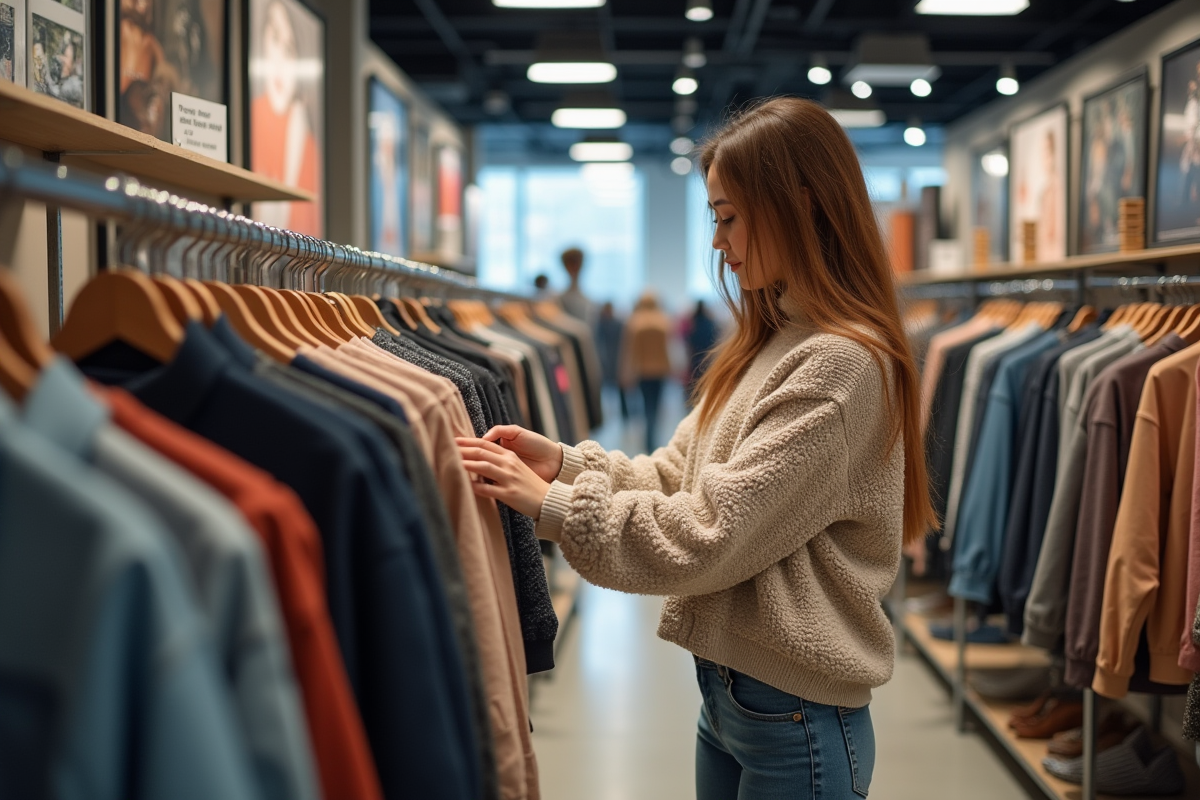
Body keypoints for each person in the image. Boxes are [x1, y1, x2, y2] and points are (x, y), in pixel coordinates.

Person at [455, 97, 934, 799]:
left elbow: (714, 531)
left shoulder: (841, 366)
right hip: (736, 701)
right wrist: (564, 462)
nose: (718, 241)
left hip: (796, 722)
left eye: (727, 216)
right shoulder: (770, 344)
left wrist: (557, 506)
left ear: (797, 206)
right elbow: (678, 474)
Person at [250, 0, 322, 236]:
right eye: (274, 39)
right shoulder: (251, 120)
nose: (279, 61)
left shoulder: (308, 148)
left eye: (289, 49)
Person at [620, 293, 672, 453]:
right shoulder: (663, 321)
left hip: (642, 371)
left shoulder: (635, 322)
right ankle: (652, 439)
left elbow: (630, 351)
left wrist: (626, 372)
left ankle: (648, 441)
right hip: (661, 371)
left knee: (646, 407)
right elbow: (669, 349)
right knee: (656, 407)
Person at [683, 299, 719, 405]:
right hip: (707, 357)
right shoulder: (710, 323)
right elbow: (714, 339)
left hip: (694, 357)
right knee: (705, 382)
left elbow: (688, 341)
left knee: (694, 382)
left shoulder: (692, 324)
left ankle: (693, 403)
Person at [595, 302, 628, 419]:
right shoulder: (602, 324)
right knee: (609, 388)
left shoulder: (607, 324)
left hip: (614, 358)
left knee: (620, 388)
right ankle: (609, 413)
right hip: (610, 358)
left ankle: (624, 412)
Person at [558, 247, 596, 328]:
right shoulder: (558, 299)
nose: (575, 267)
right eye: (571, 263)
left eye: (577, 263)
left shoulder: (589, 299)